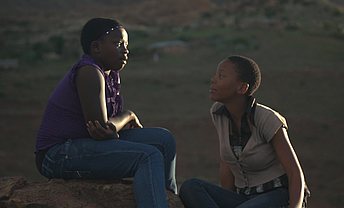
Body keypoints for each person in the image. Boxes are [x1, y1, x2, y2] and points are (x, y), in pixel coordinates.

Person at [34, 17, 177, 208]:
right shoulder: (89, 71)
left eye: (126, 44)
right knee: (148, 156)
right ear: (96, 47)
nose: (125, 50)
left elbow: (106, 131)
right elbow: (102, 129)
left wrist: (115, 126)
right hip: (57, 154)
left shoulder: (109, 73)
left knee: (164, 140)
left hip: (82, 143)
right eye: (118, 44)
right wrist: (128, 115)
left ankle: (166, 200)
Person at [179, 55, 309, 208]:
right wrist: (225, 200)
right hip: (243, 199)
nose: (213, 80)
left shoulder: (267, 119)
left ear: (242, 88)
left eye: (221, 76)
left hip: (276, 196)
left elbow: (295, 173)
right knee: (191, 186)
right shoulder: (218, 113)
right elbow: (226, 163)